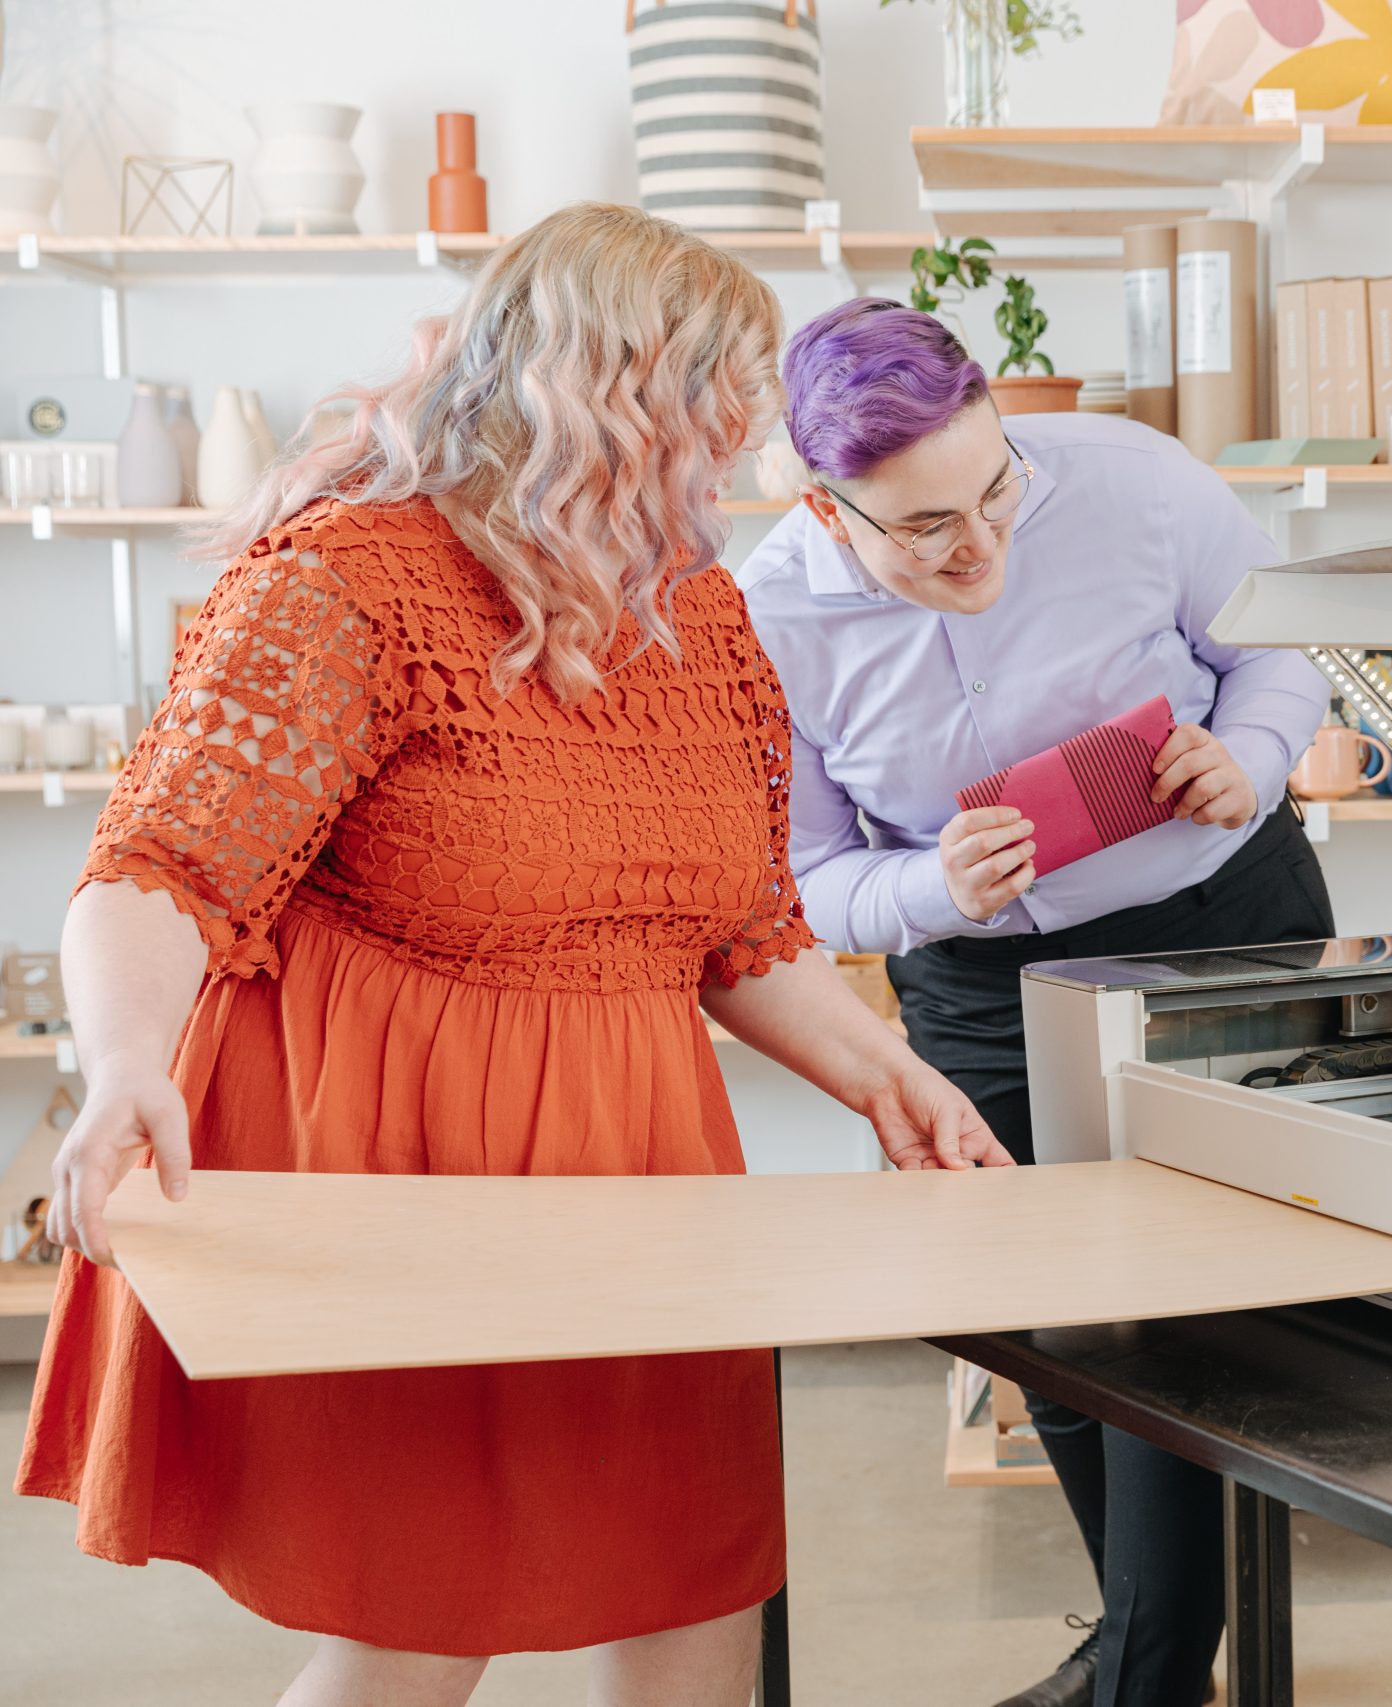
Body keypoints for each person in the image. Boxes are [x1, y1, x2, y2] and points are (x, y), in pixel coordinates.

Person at [16, 206, 1010, 1707]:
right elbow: (160, 868)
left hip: (644, 1171)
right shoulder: (350, 584)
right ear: (607, 403)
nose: (752, 452)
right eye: (720, 405)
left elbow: (736, 933)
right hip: (416, 1175)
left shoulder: (706, 619)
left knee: (696, 1582)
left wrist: (890, 1076)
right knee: (426, 1619)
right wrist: (123, 1070)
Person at [738, 299, 1331, 1707]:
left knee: (1190, 1315)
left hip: (1225, 930)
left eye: (995, 488)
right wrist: (933, 887)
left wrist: (1246, 754)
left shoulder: (1138, 481)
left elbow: (1286, 647)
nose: (983, 546)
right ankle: (1146, 1643)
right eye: (926, 529)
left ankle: (1148, 1669)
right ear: (826, 511)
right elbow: (801, 882)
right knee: (1048, 1325)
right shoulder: (762, 622)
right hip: (981, 985)